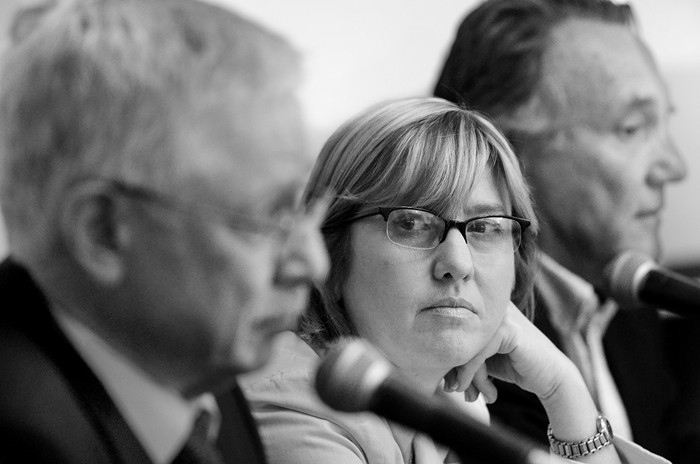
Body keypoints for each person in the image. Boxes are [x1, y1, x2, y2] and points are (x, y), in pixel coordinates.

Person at [240, 97, 671, 464]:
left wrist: (563, 388)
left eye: (486, 227)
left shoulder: (451, 407)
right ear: (330, 257)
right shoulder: (299, 409)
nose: (458, 262)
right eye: (411, 223)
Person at [0, 0, 328, 463]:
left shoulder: (191, 361)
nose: (312, 262)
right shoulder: (25, 440)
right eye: (266, 220)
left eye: (303, 210)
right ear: (103, 231)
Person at [433, 0, 699, 462]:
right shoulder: (455, 337)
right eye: (633, 128)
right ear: (505, 149)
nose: (673, 167)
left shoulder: (622, 285)